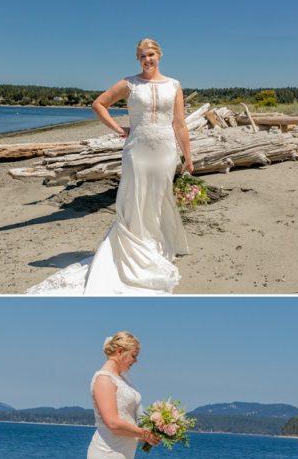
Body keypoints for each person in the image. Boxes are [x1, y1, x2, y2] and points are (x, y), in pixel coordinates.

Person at [28, 38, 191, 295]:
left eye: (150, 55)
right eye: (141, 56)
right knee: (133, 199)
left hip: (165, 151)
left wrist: (188, 156)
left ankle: (157, 248)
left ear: (159, 55)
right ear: (138, 60)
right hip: (137, 149)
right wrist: (119, 129)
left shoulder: (174, 85)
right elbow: (99, 104)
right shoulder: (130, 83)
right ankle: (135, 251)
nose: (146, 60)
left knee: (160, 197)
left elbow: (179, 124)